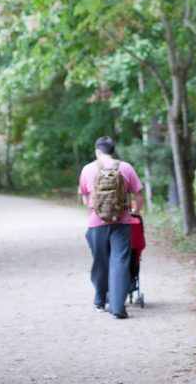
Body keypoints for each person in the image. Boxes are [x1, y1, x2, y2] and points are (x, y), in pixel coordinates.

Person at [78, 136, 144, 319]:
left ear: (97, 151)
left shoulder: (87, 169)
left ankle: (99, 301)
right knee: (120, 262)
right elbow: (139, 198)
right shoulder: (126, 167)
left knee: (101, 263)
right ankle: (117, 306)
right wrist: (134, 212)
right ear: (113, 150)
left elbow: (85, 200)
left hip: (96, 224)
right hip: (122, 223)